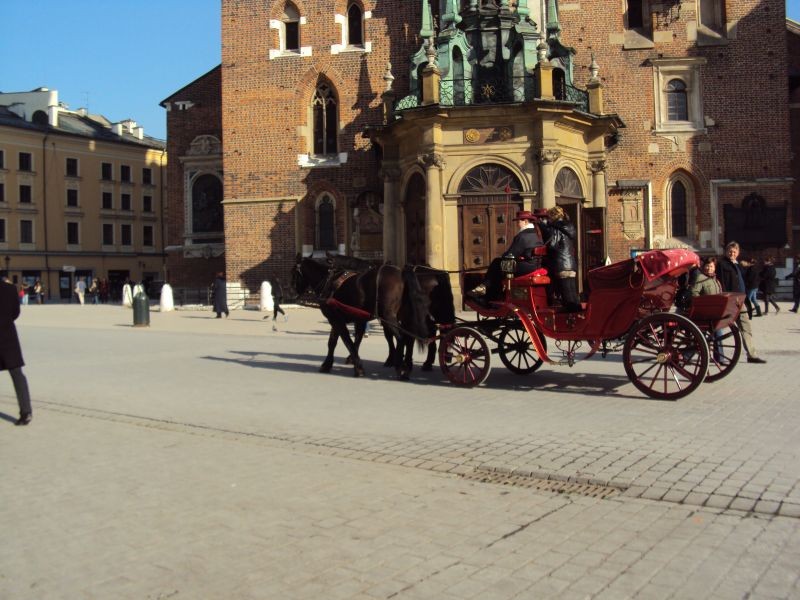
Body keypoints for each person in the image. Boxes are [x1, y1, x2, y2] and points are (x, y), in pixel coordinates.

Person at [467, 210, 544, 301]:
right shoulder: (538, 234)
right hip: (536, 266)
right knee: (500, 266)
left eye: (519, 221)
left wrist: (504, 256)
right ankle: (487, 290)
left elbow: (511, 254)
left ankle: (487, 291)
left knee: (497, 263)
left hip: (526, 267)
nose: (517, 224)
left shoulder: (522, 236)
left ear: (526, 221)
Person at [716, 241, 766, 364]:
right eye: (730, 251)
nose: (732, 253)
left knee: (745, 326)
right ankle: (718, 355)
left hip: (740, 300)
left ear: (738, 253)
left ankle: (751, 355)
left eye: (734, 252)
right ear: (726, 252)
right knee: (718, 327)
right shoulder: (722, 264)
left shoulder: (737, 265)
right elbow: (720, 281)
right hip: (729, 300)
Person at [1, 277, 33, 426]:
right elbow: (15, 312)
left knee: (17, 374)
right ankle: (26, 412)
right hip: (8, 335)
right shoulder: (10, 289)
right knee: (17, 374)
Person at [539, 205, 582, 312]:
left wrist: (544, 228)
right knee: (573, 294)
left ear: (553, 216)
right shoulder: (568, 227)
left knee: (567, 297)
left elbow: (552, 245)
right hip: (571, 264)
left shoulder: (556, 228)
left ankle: (571, 318)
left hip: (561, 264)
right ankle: (578, 315)